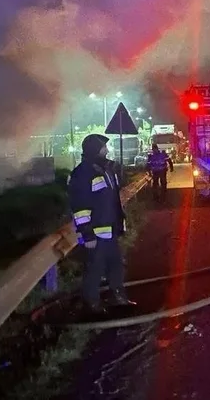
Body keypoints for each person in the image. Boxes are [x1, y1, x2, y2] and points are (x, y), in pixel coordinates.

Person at [69, 134, 136, 314]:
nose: (107, 150)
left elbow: (112, 200)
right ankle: (92, 306)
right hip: (95, 235)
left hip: (110, 231)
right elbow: (80, 207)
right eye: (103, 148)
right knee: (94, 271)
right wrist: (87, 234)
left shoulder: (106, 169)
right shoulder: (83, 173)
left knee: (116, 267)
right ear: (94, 149)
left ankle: (118, 298)